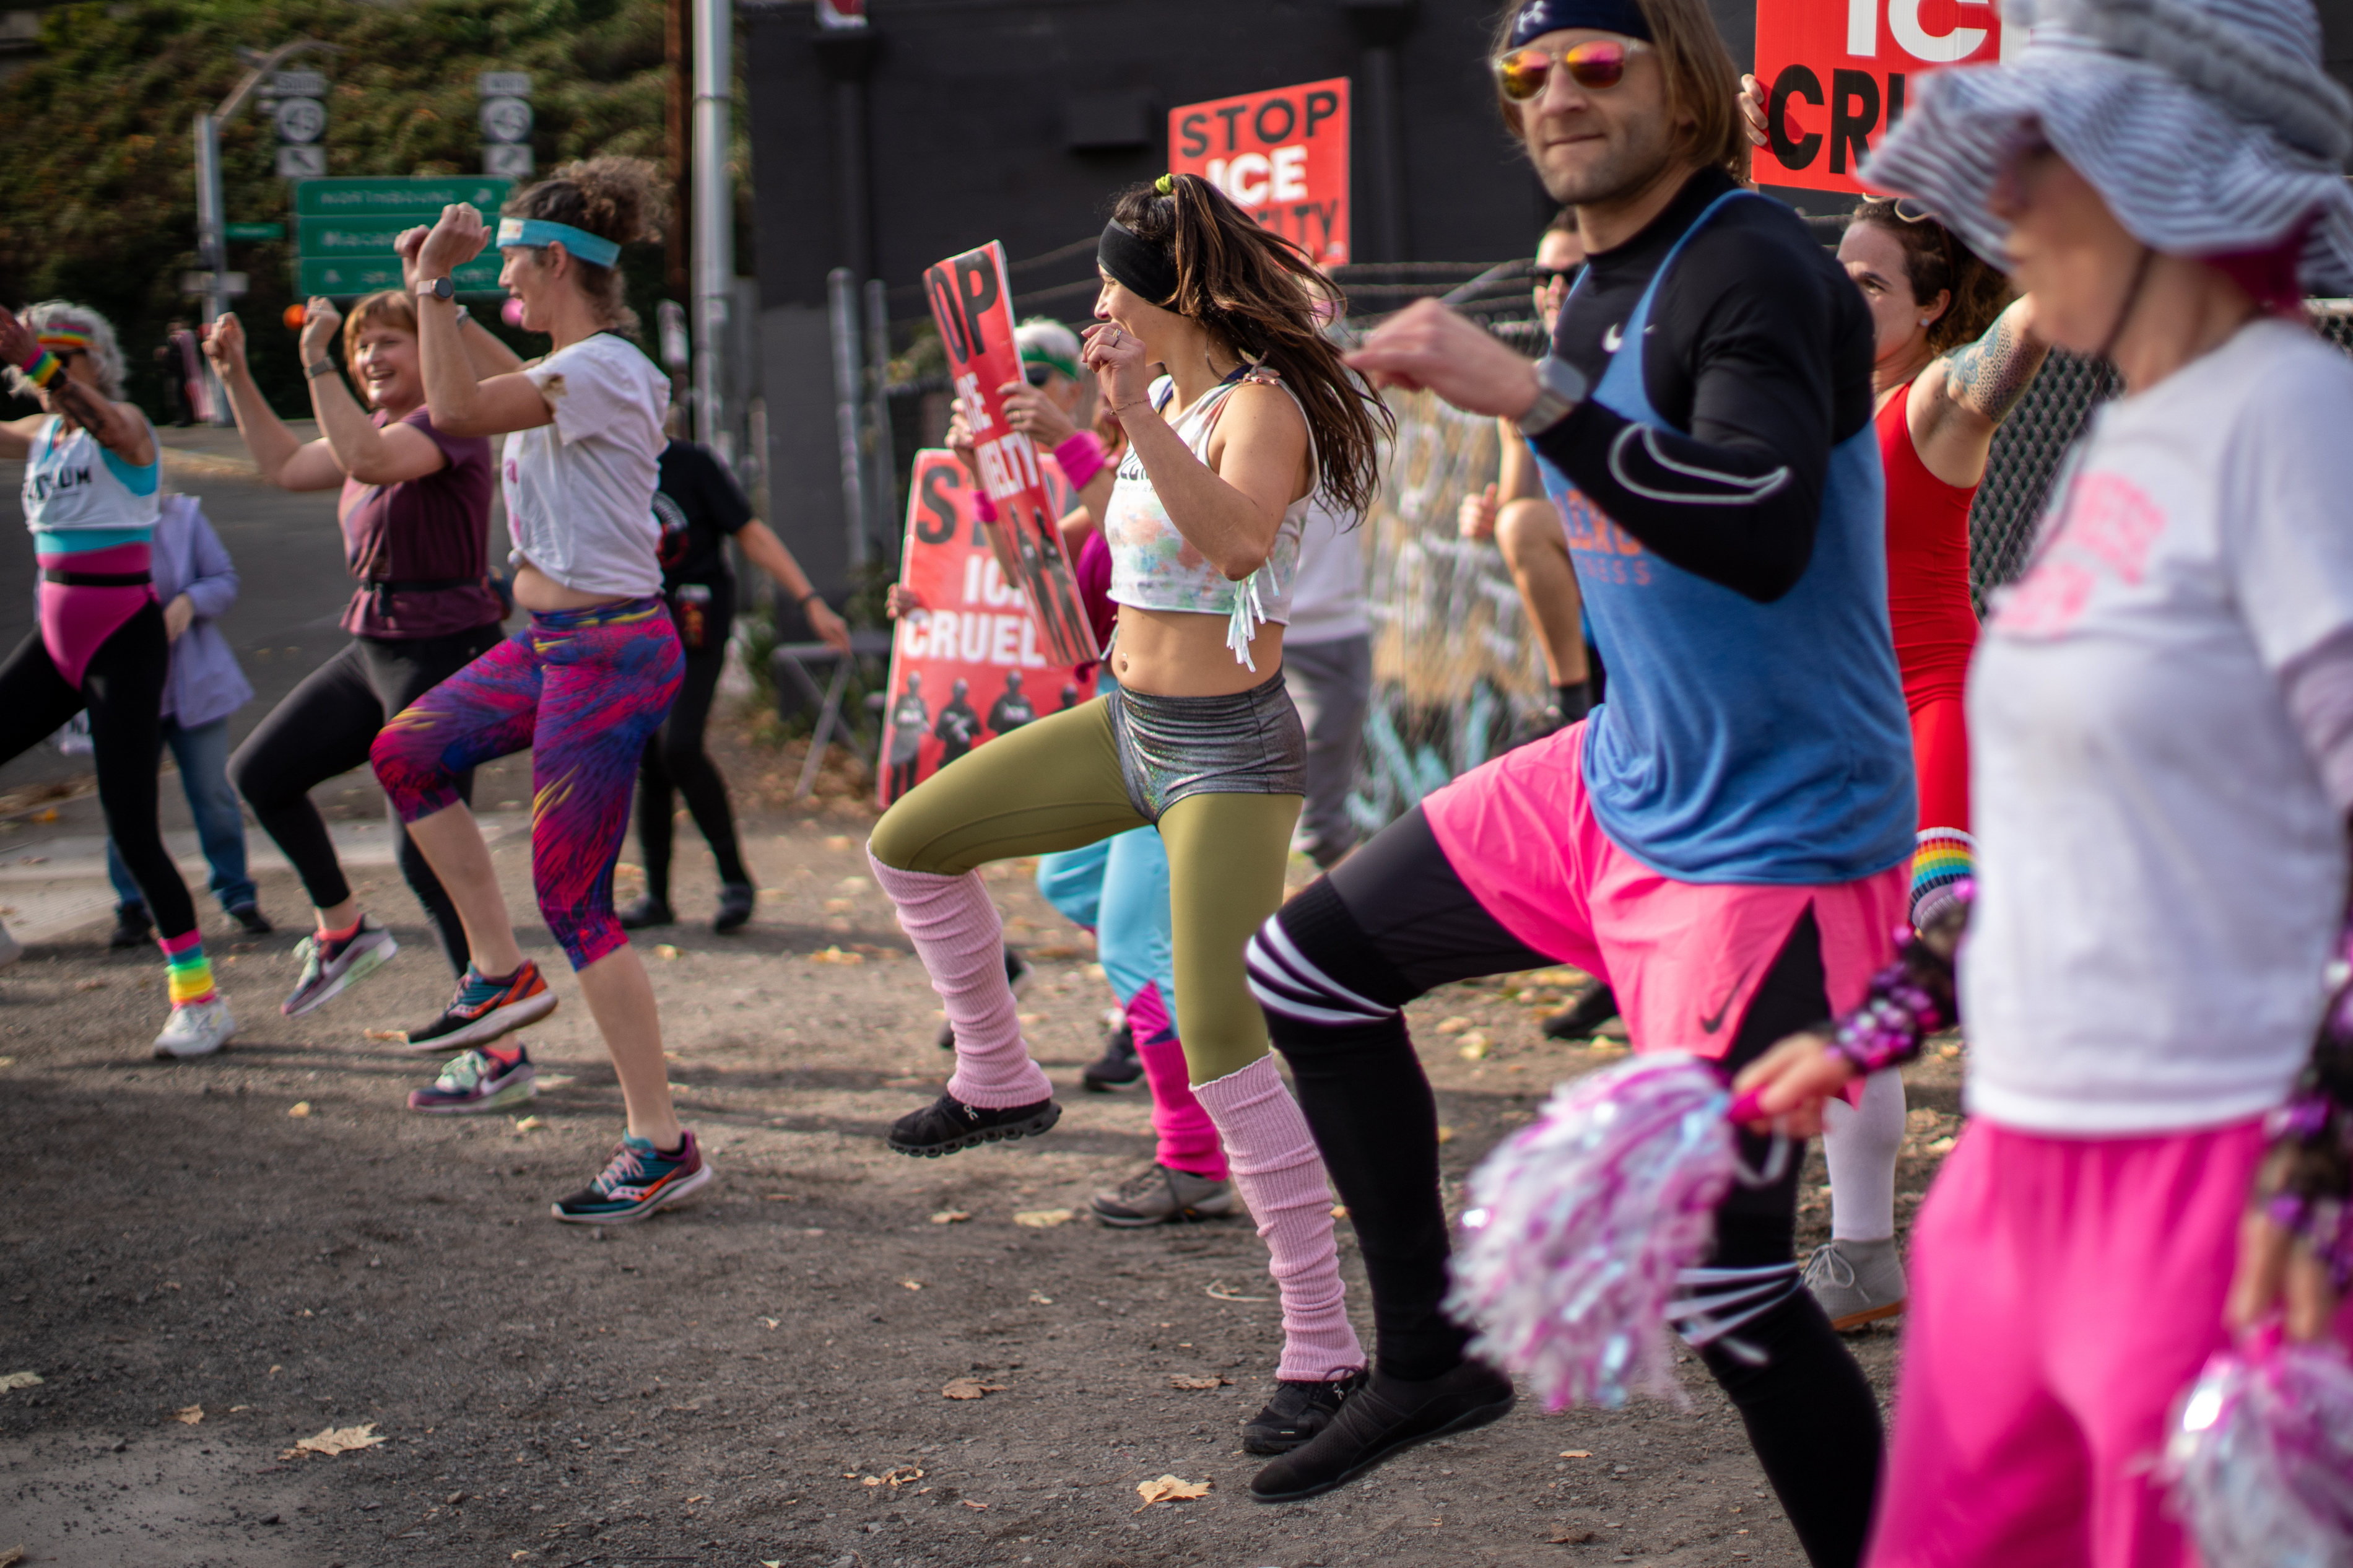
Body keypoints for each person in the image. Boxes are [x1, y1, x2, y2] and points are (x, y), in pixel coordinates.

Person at [1243, 6, 1914, 1559]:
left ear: (1682, 85)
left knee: (1722, 1278)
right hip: (1618, 780)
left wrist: (1525, 397)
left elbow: (1750, 521)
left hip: (1771, 837)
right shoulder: (1597, 278)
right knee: (1310, 968)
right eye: (1523, 74)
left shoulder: (1752, 265)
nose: (1552, 92)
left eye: (1594, 62)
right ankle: (1425, 1356)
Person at [1736, 2, 2353, 1561]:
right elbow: (2066, 849)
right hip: (2009, 1179)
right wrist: (1873, 1025)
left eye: (2033, 156)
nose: (1996, 206)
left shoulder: (2289, 425)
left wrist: (2310, 1169)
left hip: (2205, 1186)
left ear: (2164, 177)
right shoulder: (2118, 447)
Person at [864, 171, 1393, 1452]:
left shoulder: (1255, 409)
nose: (1096, 307)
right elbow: (1115, 548)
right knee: (909, 843)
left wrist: (1121, 422)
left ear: (1171, 298)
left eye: (1109, 286)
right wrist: (1035, 450)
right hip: (1125, 723)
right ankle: (998, 1077)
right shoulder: (1160, 401)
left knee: (1217, 1031)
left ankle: (1323, 1350)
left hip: (1227, 753)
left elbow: (1233, 546)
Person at [367, 159, 708, 1219]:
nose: (503, 276)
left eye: (513, 262)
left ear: (555, 263)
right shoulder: (570, 363)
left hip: (610, 652)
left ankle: (660, 1141)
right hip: (556, 640)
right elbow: (486, 366)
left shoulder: (603, 368)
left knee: (576, 899)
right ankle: (497, 968)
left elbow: (460, 402)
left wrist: (429, 291)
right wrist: (440, 284)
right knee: (407, 751)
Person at [207, 283, 515, 1026]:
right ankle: (343, 930)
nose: (371, 356)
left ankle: (498, 1037)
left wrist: (316, 363)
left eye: (388, 341)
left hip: (444, 648)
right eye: (361, 345)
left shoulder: (448, 420)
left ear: (426, 349)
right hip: (376, 642)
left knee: (425, 856)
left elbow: (370, 460)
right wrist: (234, 377)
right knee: (262, 774)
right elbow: (284, 467)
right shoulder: (370, 428)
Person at [0, 302, 235, 1058]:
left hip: (120, 641)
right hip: (56, 637)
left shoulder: (128, 428)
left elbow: (103, 421)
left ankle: (198, 999)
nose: (52, 371)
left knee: (132, 827)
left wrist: (40, 362)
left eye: (67, 358)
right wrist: (36, 372)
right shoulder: (43, 435)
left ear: (98, 362)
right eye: (41, 359)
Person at [1463, 212, 1622, 1043]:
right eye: (1544, 278)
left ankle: (1574, 703)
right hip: (1582, 628)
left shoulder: (1640, 365)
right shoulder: (1522, 387)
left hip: (1647, 623)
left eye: (1573, 274)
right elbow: (1514, 500)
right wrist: (1480, 511)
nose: (1556, 291)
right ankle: (1613, 974)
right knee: (1594, 820)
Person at [617, 436, 850, 934]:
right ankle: (657, 897)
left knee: (680, 746)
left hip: (695, 623)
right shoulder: (603, 464)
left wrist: (809, 599)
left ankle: (735, 880)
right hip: (636, 626)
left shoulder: (690, 464)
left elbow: (750, 533)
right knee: (647, 756)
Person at [103, 490, 268, 946]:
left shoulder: (181, 514)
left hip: (193, 684)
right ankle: (133, 905)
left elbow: (224, 580)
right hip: (126, 690)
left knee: (213, 794)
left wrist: (190, 601)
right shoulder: (89, 525)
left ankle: (237, 893)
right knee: (128, 801)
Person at [885, 672, 928, 803]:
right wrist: (907, 720)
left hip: (913, 744)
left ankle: (908, 807)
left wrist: (921, 725)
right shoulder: (901, 700)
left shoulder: (921, 703)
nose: (914, 686)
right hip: (900, 743)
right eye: (912, 684)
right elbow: (892, 719)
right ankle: (893, 804)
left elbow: (926, 724)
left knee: (911, 777)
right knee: (897, 775)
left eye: (916, 684)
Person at [932, 676, 979, 765]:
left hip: (965, 755)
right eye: (957, 690)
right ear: (953, 691)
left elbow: (978, 731)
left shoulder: (969, 712)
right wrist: (951, 733)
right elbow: (938, 733)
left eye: (962, 691)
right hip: (950, 754)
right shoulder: (946, 711)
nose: (959, 694)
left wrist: (966, 724)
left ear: (965, 693)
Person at [985, 669, 1034, 734]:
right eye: (1012, 683)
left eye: (1016, 683)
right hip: (1005, 739)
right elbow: (991, 724)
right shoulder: (1002, 701)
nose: (1014, 686)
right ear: (1008, 683)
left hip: (1020, 739)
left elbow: (1033, 722)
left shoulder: (1024, 702)